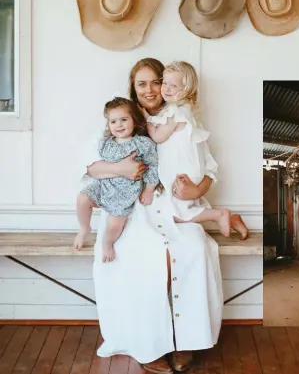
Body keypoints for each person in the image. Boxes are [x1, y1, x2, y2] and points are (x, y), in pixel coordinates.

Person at [84, 58, 224, 374]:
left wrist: (197, 188)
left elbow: (210, 167)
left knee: (193, 248)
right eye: (141, 83)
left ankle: (186, 339)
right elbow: (90, 163)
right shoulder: (121, 118)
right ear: (133, 88)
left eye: (155, 82)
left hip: (176, 206)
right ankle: (147, 344)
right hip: (135, 207)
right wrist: (121, 168)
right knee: (142, 255)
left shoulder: (181, 117)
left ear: (167, 84)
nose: (150, 89)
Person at [147, 61, 248, 239]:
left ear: (186, 89)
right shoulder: (185, 111)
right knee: (188, 209)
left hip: (182, 171)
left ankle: (219, 215)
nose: (166, 89)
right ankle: (233, 220)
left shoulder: (176, 112)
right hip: (190, 169)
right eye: (164, 83)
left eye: (173, 85)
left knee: (174, 214)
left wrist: (145, 119)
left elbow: (157, 137)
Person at [75, 97, 159, 262]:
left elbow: (153, 166)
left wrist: (149, 189)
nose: (119, 125)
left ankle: (108, 243)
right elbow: (94, 166)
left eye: (124, 120)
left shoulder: (142, 144)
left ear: (133, 120)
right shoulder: (105, 143)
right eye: (113, 121)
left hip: (125, 191)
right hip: (104, 185)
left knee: (114, 225)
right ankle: (84, 228)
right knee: (82, 199)